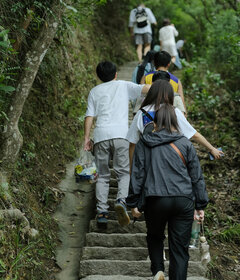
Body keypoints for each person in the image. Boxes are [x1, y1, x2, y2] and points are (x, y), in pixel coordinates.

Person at [126, 102, 209, 280]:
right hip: (183, 200)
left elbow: (137, 174)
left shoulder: (144, 143)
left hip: (155, 199)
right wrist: (200, 204)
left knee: (155, 236)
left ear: (154, 123)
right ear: (175, 122)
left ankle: (158, 271)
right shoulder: (185, 144)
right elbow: (196, 176)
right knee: (179, 249)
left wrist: (133, 204)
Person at [84, 61, 150, 226]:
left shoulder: (94, 91)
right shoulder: (123, 85)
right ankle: (121, 200)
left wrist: (86, 138)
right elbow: (147, 90)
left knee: (102, 176)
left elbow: (89, 116)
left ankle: (102, 212)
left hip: (100, 136)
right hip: (121, 134)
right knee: (123, 172)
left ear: (99, 76)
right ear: (115, 74)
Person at [127, 80, 224, 170]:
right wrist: (211, 149)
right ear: (169, 94)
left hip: (148, 159)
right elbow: (194, 135)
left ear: (151, 93)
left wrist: (132, 169)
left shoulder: (141, 113)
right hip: (170, 158)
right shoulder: (174, 111)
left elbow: (132, 143)